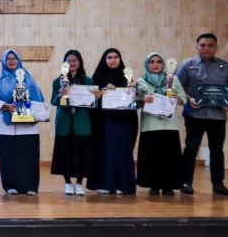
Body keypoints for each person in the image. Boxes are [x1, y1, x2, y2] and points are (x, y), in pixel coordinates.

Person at [176, 33, 228, 196]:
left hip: (217, 115)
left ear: (216, 47)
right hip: (194, 114)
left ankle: (218, 184)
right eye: (203, 45)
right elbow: (176, 86)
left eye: (210, 45)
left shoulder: (225, 66)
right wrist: (188, 98)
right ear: (197, 47)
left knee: (217, 150)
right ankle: (185, 182)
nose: (206, 48)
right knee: (191, 149)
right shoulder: (187, 65)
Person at [0, 48, 43, 195]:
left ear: (19, 60)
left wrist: (36, 116)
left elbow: (38, 99)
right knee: (8, 157)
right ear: (4, 61)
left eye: (14, 58)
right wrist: (4, 105)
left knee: (28, 157)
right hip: (4, 126)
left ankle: (30, 186)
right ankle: (10, 186)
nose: (12, 61)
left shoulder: (29, 79)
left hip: (27, 126)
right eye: (8, 59)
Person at [135, 52, 188, 196]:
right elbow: (134, 103)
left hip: (169, 125)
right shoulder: (141, 81)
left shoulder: (173, 79)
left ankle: (168, 186)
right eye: (151, 62)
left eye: (159, 61)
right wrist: (142, 99)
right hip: (150, 125)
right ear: (147, 64)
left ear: (163, 64)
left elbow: (184, 99)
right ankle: (154, 185)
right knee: (152, 157)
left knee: (170, 157)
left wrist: (177, 98)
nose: (155, 64)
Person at [87, 48, 138, 195]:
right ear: (105, 60)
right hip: (103, 122)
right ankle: (104, 184)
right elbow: (90, 102)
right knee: (105, 152)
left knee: (122, 152)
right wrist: (103, 91)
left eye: (116, 57)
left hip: (123, 122)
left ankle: (122, 185)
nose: (113, 60)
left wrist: (121, 91)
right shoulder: (97, 78)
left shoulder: (127, 78)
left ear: (120, 59)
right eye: (109, 57)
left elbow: (133, 101)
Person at [50, 49, 95, 195]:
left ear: (80, 62)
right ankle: (68, 183)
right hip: (64, 122)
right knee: (65, 153)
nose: (72, 63)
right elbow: (53, 101)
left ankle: (80, 183)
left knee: (82, 153)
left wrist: (95, 97)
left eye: (75, 60)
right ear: (65, 63)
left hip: (82, 123)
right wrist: (60, 94)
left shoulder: (88, 81)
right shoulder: (58, 81)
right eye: (69, 60)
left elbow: (92, 103)